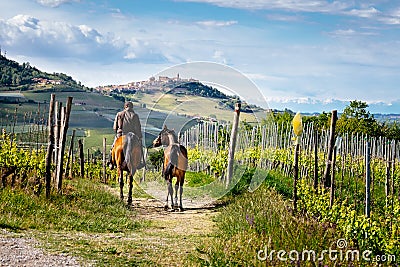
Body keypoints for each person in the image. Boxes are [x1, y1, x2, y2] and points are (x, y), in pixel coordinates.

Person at [109, 101, 145, 169]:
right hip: (132, 136)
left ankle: (110, 162)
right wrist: (140, 137)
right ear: (132, 107)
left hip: (120, 134)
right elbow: (138, 128)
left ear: (125, 107)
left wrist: (117, 131)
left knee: (113, 147)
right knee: (140, 148)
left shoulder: (119, 114)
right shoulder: (135, 115)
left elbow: (114, 127)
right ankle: (140, 162)